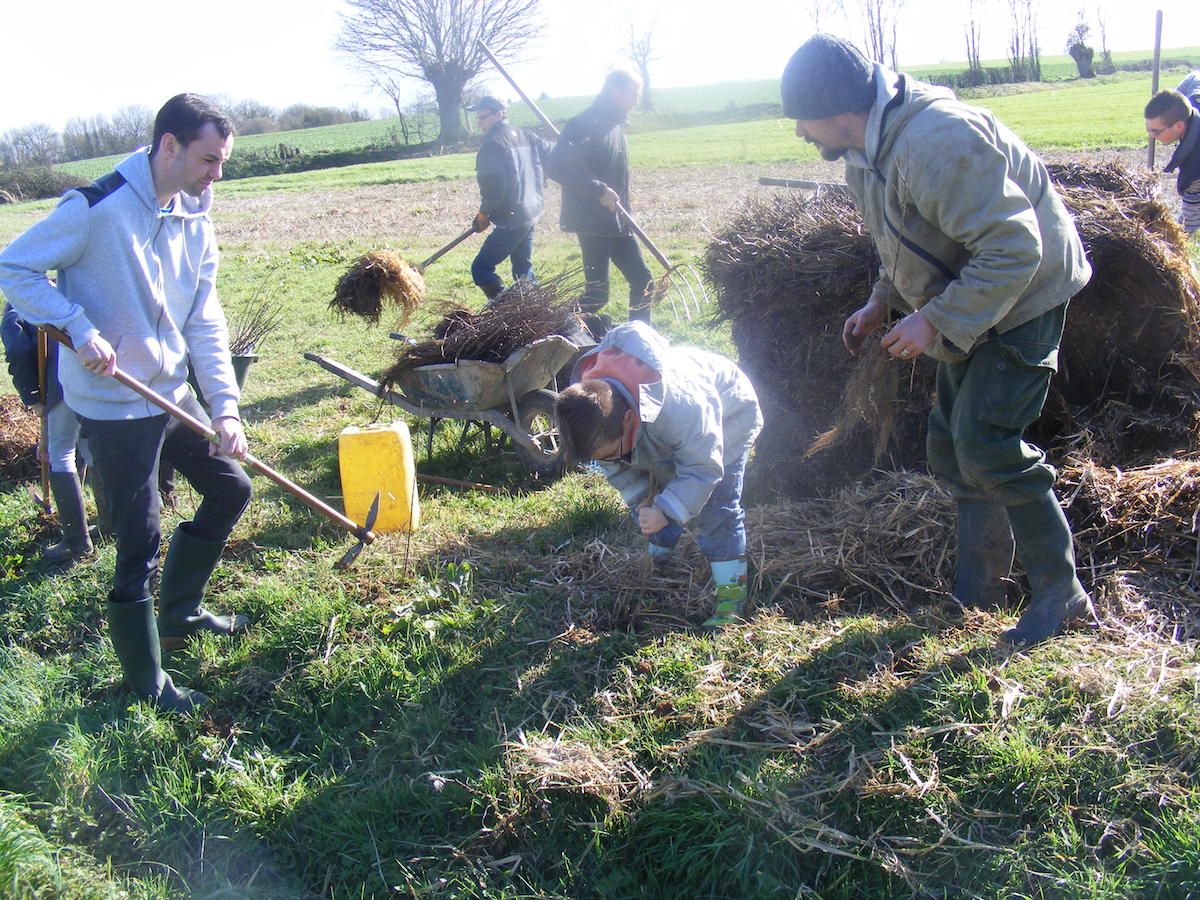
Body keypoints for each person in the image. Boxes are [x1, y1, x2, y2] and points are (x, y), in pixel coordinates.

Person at [781, 34, 1093, 646]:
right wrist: (884, 299)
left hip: (1023, 292)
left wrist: (935, 320)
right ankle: (979, 592)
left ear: (843, 109)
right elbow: (907, 236)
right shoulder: (865, 150)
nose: (800, 132)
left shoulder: (935, 141)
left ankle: (1062, 593)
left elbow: (1014, 249)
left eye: (803, 118)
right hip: (968, 290)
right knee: (950, 446)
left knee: (985, 443)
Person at [0, 93, 253, 713]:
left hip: (171, 394)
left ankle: (182, 612)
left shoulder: (195, 217)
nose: (215, 174)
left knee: (231, 488)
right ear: (168, 144)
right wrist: (75, 326)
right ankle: (148, 683)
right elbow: (14, 267)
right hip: (114, 404)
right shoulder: (96, 208)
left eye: (221, 161)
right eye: (207, 159)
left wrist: (224, 406)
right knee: (139, 538)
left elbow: (204, 321)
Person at [554, 321, 762, 628]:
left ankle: (731, 600)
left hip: (726, 419)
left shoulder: (680, 406)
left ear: (628, 420)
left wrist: (666, 510)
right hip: (659, 433)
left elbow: (703, 468)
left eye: (611, 455)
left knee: (717, 511)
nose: (612, 462)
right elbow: (618, 467)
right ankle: (662, 552)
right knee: (654, 498)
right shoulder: (599, 420)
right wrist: (643, 503)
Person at [2, 303, 107, 563]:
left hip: (61, 385)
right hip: (98, 379)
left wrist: (33, 397)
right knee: (91, 449)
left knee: (60, 453)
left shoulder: (17, 309)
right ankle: (109, 522)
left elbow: (17, 350)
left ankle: (76, 543)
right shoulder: (68, 294)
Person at [547, 69, 653, 324]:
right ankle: (554, 330)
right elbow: (557, 167)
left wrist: (624, 212)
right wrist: (598, 190)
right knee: (597, 295)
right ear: (614, 91)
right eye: (632, 93)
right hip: (591, 222)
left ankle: (636, 343)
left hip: (617, 220)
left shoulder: (615, 126)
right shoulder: (584, 124)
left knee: (644, 281)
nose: (636, 100)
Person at [465, 96, 553, 300]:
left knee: (481, 268)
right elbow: (553, 153)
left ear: (500, 113)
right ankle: (536, 309)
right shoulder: (526, 135)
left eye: (483, 117)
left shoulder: (493, 144)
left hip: (512, 218)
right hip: (531, 212)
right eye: (478, 118)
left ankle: (507, 310)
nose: (480, 122)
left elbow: (493, 188)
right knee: (523, 271)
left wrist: (483, 214)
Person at [1144, 80, 1200, 235]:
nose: (1152, 136)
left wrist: (1161, 238)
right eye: (1148, 129)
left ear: (1179, 126)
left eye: (1155, 131)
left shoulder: (1194, 174)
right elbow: (1195, 77)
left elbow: (1189, 225)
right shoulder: (1194, 96)